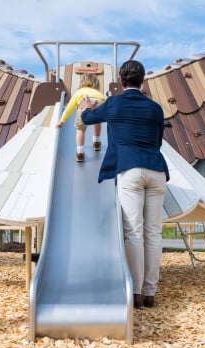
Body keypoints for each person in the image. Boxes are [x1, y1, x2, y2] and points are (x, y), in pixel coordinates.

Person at [80, 60, 169, 309]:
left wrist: (86, 106)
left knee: (134, 232)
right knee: (154, 232)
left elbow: (88, 118)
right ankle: (150, 293)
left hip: (130, 169)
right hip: (156, 169)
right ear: (143, 80)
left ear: (120, 79)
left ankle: (135, 292)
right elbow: (158, 140)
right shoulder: (155, 108)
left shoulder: (114, 103)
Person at [55, 73, 106, 162]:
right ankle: (96, 142)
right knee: (97, 121)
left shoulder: (79, 92)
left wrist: (61, 121)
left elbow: (69, 107)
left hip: (84, 103)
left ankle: (80, 153)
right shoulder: (98, 93)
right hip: (100, 101)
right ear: (96, 84)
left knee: (80, 129)